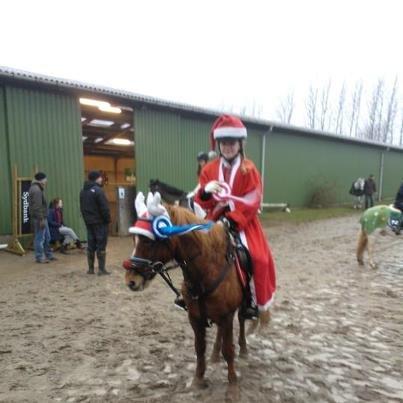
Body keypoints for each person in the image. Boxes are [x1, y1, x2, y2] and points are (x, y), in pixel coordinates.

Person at [194, 114, 276, 320]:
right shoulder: (209, 169)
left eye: (232, 143)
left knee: (259, 258)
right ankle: (192, 294)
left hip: (243, 222)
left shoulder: (249, 169)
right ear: (218, 144)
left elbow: (253, 200)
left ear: (240, 144)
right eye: (224, 143)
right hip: (213, 219)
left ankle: (252, 302)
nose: (228, 147)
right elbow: (201, 201)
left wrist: (232, 220)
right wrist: (204, 192)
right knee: (193, 251)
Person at [80, 171, 111, 275]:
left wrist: (86, 220)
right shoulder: (98, 191)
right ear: (96, 178)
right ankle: (101, 269)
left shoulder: (83, 191)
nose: (101, 179)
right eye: (100, 177)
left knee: (91, 245)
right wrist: (107, 220)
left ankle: (91, 269)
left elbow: (82, 208)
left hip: (89, 222)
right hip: (100, 223)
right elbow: (104, 208)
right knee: (101, 245)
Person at [28, 172, 56, 263]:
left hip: (43, 217)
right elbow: (37, 207)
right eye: (45, 179)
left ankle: (49, 255)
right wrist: (41, 219)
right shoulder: (36, 190)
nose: (46, 181)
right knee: (40, 238)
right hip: (40, 218)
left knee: (47, 237)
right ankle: (39, 257)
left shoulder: (37, 188)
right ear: (41, 180)